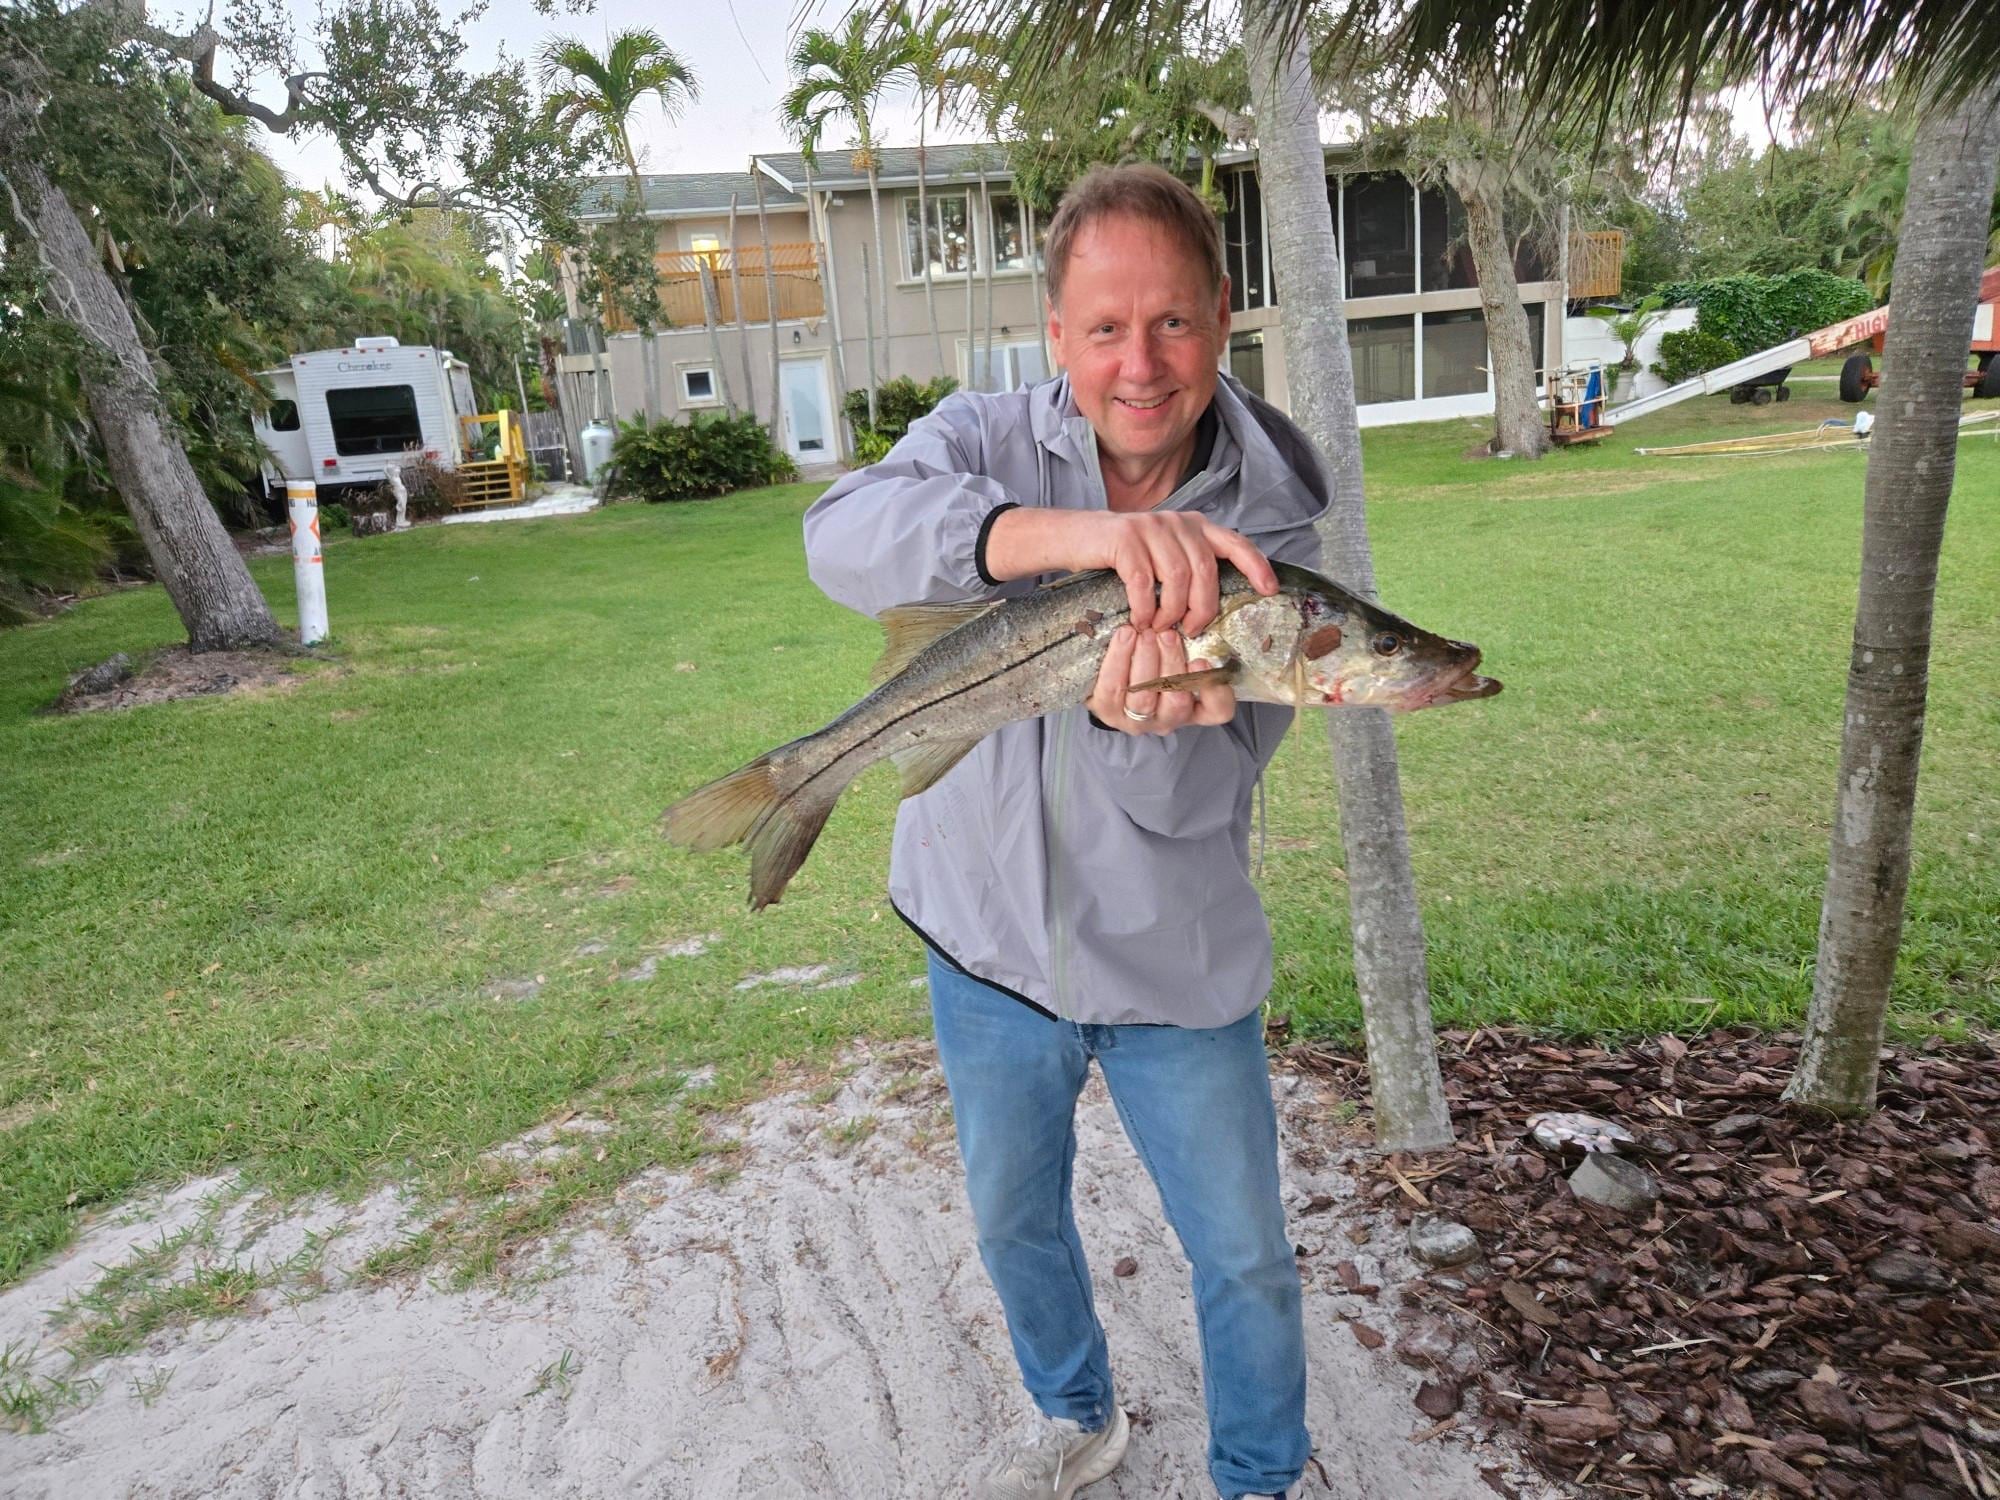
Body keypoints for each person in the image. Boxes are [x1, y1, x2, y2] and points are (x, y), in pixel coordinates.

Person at [802, 163, 1327, 1500]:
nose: (1139, 365)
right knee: (1013, 1214)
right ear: (1055, 336)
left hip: (1171, 958)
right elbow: (840, 535)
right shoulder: (979, 436)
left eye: (1171, 323)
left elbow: (1210, 787)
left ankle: (1262, 1478)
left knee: (1246, 1251)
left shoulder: (1274, 519)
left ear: (1222, 316)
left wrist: (1150, 722)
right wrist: (1073, 536)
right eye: (1104, 328)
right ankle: (1071, 1411)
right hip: (981, 941)